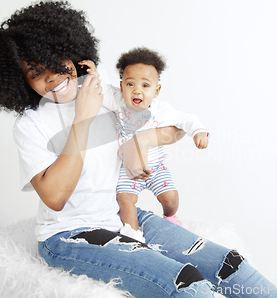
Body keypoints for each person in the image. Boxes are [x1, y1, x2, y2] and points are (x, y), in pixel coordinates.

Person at [0, 0, 277, 298]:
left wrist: (142, 139)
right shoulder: (31, 125)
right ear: (21, 82)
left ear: (72, 52)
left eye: (56, 61)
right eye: (35, 72)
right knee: (185, 283)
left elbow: (170, 125)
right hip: (68, 235)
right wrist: (83, 120)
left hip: (120, 214)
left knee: (229, 263)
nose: (51, 77)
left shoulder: (106, 96)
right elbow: (56, 197)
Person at [83, 47, 209, 242]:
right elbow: (103, 89)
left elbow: (186, 119)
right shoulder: (118, 101)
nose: (137, 90)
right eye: (130, 84)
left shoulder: (163, 110)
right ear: (122, 86)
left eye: (145, 85)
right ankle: (132, 235)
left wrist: (199, 132)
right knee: (125, 201)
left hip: (156, 168)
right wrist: (94, 73)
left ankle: (170, 216)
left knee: (170, 198)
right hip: (127, 171)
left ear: (156, 90)